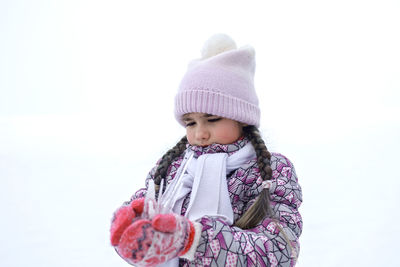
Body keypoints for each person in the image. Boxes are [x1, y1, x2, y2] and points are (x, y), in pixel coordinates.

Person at [110, 34, 303, 267]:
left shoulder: (271, 172)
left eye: (212, 119)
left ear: (241, 117)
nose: (200, 133)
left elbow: (279, 252)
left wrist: (193, 240)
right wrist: (134, 227)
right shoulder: (174, 169)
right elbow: (147, 245)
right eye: (190, 123)